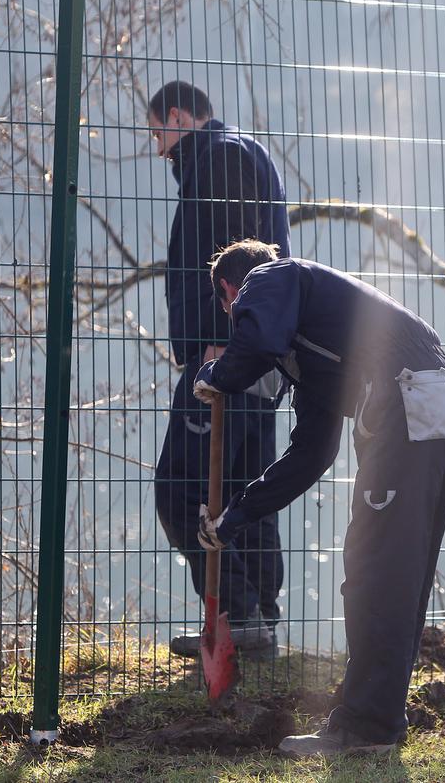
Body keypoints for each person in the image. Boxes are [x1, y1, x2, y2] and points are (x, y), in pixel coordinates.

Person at [191, 240, 445, 757]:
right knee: (393, 570)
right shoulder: (313, 340)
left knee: (375, 569)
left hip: (409, 405)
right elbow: (310, 455)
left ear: (229, 291)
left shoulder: (272, 276)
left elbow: (254, 338)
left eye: (229, 307)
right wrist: (235, 516)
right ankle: (375, 718)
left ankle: (365, 727)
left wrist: (215, 375)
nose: (234, 315)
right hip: (439, 406)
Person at [147, 82, 290, 658]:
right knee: (245, 490)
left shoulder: (221, 158)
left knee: (178, 490)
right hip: (260, 355)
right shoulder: (241, 152)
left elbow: (245, 256)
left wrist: (221, 341)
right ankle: (256, 621)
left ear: (179, 116)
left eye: (159, 133)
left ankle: (237, 610)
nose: (159, 150)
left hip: (227, 358)